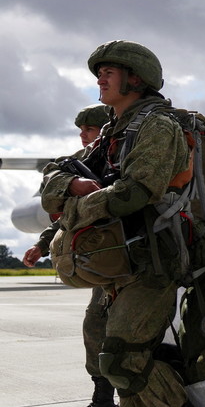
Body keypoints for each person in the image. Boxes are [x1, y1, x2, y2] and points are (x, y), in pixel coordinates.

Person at [39, 40, 192, 407]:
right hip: (118, 262)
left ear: (135, 79)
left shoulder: (156, 126)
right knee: (119, 367)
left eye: (109, 73)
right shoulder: (110, 133)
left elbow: (134, 193)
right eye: (99, 74)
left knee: (122, 361)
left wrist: (73, 208)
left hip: (150, 262)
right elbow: (50, 179)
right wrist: (71, 184)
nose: (100, 81)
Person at [23, 103, 115, 407]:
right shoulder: (80, 165)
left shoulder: (126, 156)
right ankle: (102, 395)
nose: (82, 136)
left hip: (138, 252)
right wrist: (42, 245)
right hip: (107, 256)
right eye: (80, 130)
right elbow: (67, 217)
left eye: (88, 129)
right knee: (95, 323)